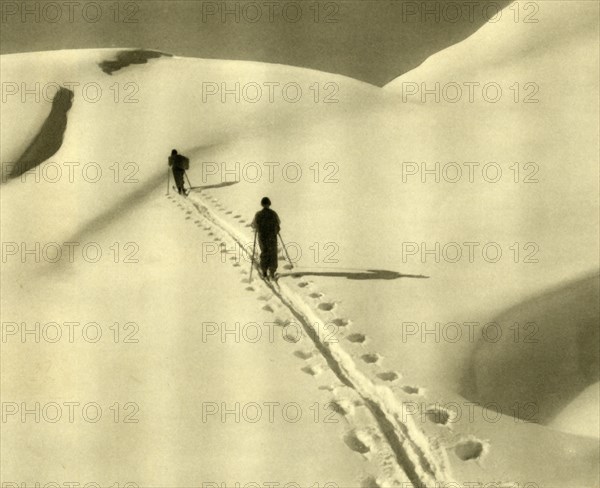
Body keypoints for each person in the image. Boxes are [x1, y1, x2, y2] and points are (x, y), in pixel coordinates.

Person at [251, 197, 281, 280]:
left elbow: (253, 225)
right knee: (273, 253)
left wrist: (257, 228)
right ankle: (272, 271)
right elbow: (278, 223)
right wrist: (277, 230)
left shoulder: (258, 214)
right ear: (269, 204)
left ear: (262, 204)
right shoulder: (273, 213)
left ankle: (264, 271)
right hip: (272, 237)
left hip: (262, 236)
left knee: (265, 252)